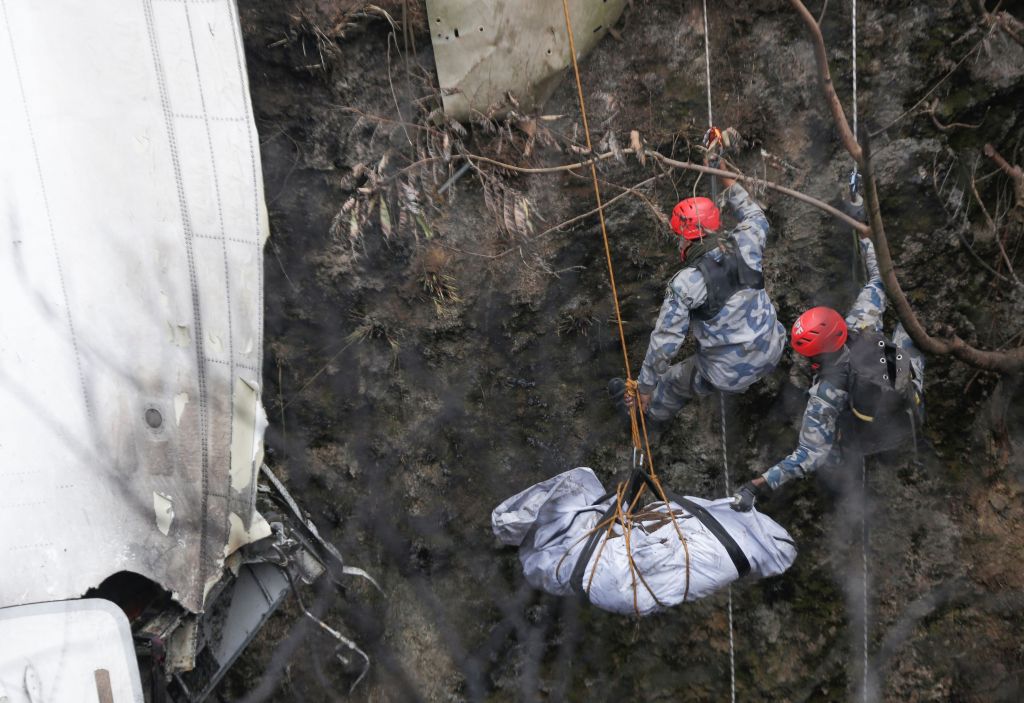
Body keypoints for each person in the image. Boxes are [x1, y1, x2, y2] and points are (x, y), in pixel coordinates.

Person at [731, 235, 925, 512]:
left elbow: (808, 455)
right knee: (908, 332)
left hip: (882, 438)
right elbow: (880, 279)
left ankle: (847, 487)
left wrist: (756, 485)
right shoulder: (863, 322)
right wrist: (867, 239)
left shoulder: (825, 396)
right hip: (911, 400)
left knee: (828, 454)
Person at [610, 167, 785, 435]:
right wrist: (723, 171)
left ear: (685, 239)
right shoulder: (748, 240)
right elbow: (753, 213)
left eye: (680, 237)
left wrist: (645, 388)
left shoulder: (686, 284)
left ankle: (646, 417)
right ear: (717, 226)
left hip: (729, 374)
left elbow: (664, 344)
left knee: (671, 383)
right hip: (773, 348)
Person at [492, 467, 797, 616]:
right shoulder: (720, 553)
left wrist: (629, 493)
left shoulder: (712, 531)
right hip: (613, 589)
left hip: (607, 575)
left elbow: (644, 523)